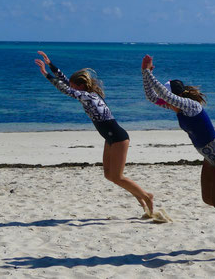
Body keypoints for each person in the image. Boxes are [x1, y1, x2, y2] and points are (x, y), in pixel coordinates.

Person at [141, 54, 215, 248]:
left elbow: (163, 95)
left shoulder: (190, 106)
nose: (165, 102)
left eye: (168, 95)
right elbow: (151, 96)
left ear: (176, 96)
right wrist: (144, 74)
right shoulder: (177, 109)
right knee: (208, 198)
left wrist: (148, 72)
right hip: (209, 156)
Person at [34, 51, 153, 215]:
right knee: (109, 175)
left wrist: (46, 74)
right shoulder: (87, 93)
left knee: (117, 176)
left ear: (81, 87)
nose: (71, 87)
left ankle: (147, 196)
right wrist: (51, 64)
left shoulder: (89, 97)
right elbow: (66, 82)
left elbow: (65, 88)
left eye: (74, 85)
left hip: (118, 138)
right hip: (109, 138)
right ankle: (140, 196)